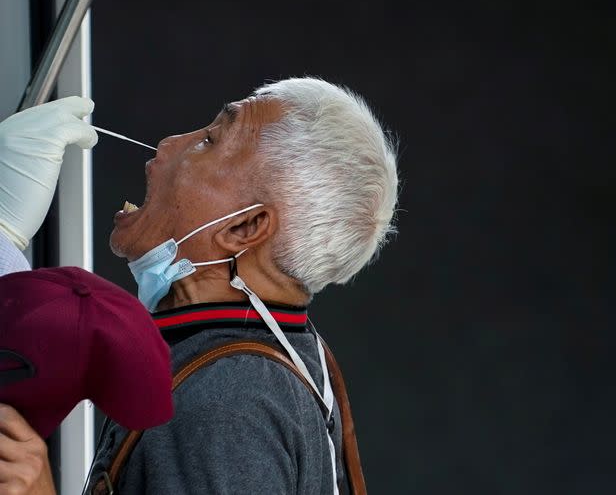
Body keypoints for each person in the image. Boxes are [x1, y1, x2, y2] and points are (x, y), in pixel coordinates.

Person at [0, 77, 398, 494]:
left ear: (246, 226)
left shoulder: (232, 401)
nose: (168, 144)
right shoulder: (279, 358)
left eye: (209, 140)